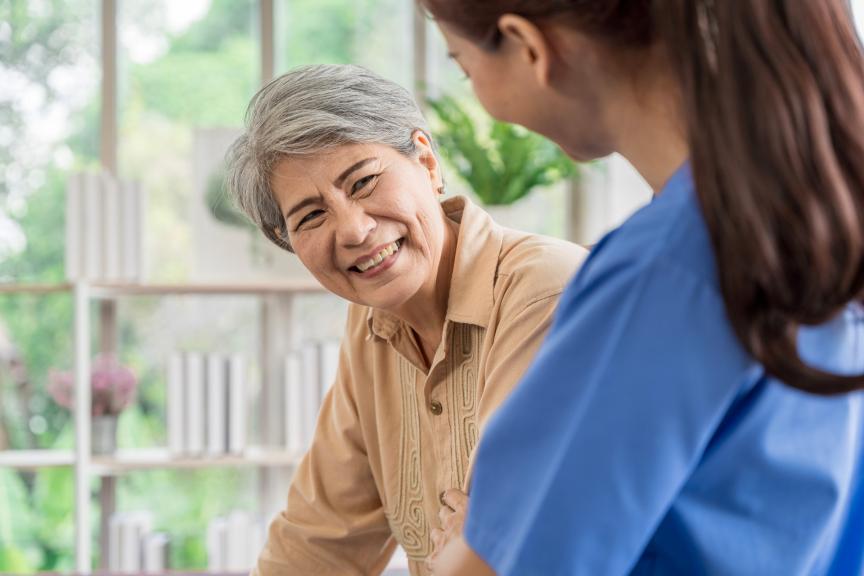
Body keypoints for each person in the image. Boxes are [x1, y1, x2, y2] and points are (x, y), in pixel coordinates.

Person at [416, 1, 864, 574]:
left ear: (529, 47)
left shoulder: (662, 276)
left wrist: (471, 544)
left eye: (462, 64)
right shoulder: (814, 217)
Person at [224, 63, 587, 575]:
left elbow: (503, 547)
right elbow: (319, 543)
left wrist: (471, 543)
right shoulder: (369, 323)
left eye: (364, 181)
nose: (353, 230)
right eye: (310, 216)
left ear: (427, 161)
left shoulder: (545, 289)